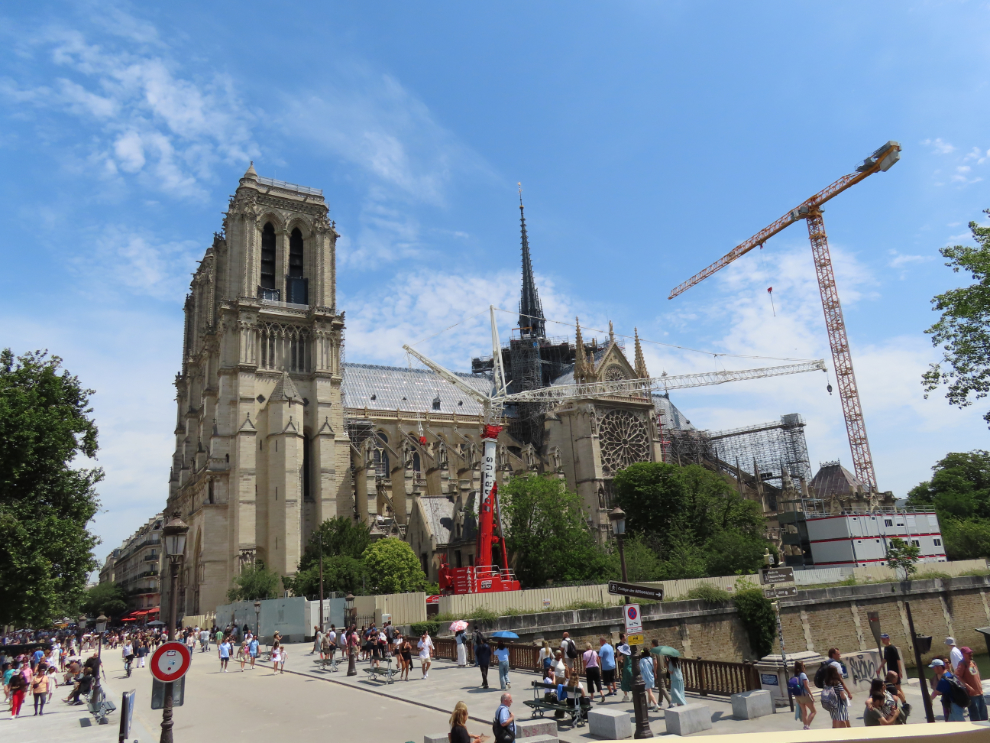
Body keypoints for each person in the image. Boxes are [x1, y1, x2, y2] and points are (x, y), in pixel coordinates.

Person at [956, 646, 988, 721]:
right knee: (975, 716)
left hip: (980, 692)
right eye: (968, 653)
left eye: (971, 652)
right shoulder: (962, 664)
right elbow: (957, 676)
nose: (971, 654)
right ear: (963, 654)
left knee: (984, 715)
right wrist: (967, 686)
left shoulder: (973, 663)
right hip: (972, 695)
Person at [790, 660, 817, 730]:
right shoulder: (803, 675)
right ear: (801, 667)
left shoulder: (795, 675)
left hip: (797, 696)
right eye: (803, 665)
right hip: (804, 695)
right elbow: (806, 686)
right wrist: (811, 695)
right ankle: (807, 725)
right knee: (813, 711)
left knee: (804, 711)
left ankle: (805, 725)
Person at [822, 664, 850, 728]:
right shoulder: (837, 683)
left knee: (834, 719)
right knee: (841, 719)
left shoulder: (825, 682)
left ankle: (834, 732)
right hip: (839, 704)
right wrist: (846, 699)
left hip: (831, 703)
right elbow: (842, 695)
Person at [649, 640, 672, 709]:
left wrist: (655, 672)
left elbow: (655, 662)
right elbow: (666, 660)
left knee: (662, 687)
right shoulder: (661, 650)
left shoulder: (654, 651)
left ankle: (670, 702)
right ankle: (660, 701)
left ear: (653, 644)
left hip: (659, 671)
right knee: (661, 687)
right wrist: (667, 668)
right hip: (664, 670)